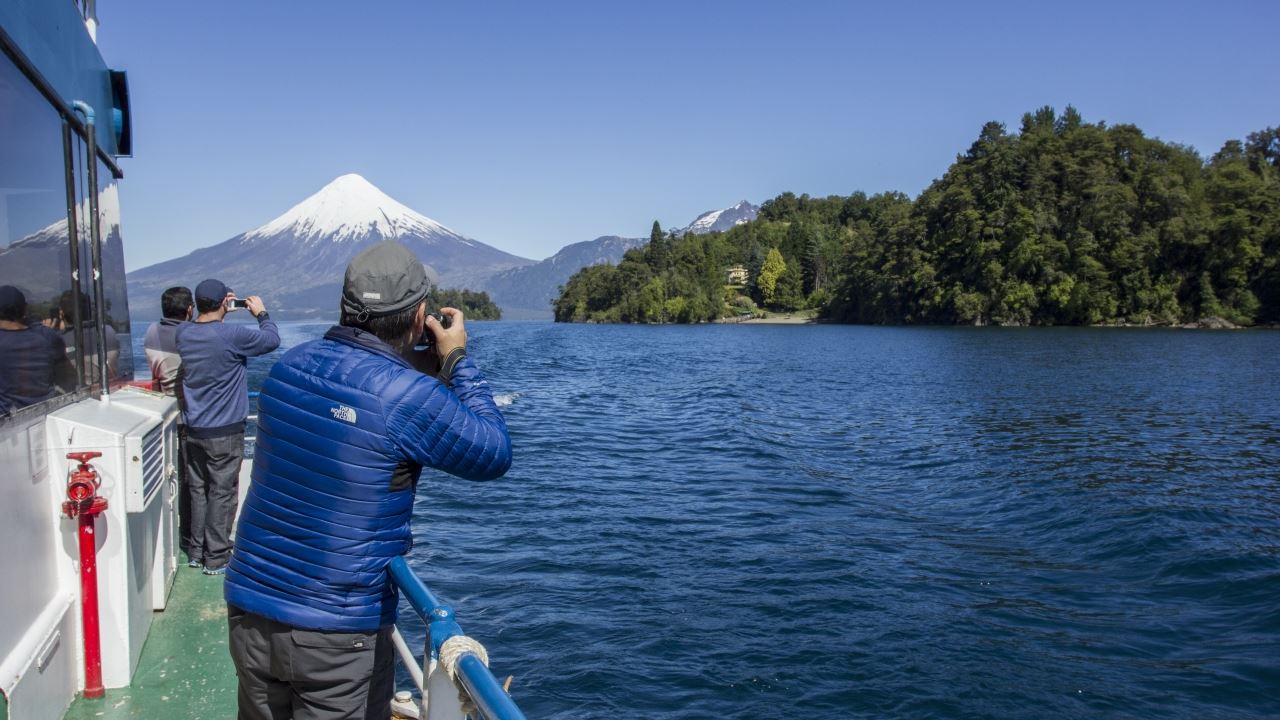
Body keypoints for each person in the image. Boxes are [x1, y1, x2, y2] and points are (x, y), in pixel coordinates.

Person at [224, 241, 512, 720]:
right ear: (420, 316)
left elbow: (347, 410)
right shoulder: (406, 394)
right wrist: (456, 360)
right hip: (335, 628)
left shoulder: (286, 369)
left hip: (251, 605)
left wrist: (404, 368)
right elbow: (492, 452)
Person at [177, 279, 279, 576]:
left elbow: (203, 325)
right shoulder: (232, 335)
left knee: (198, 490)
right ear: (225, 302)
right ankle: (217, 556)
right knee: (222, 492)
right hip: (224, 430)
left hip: (194, 428)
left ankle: (196, 551)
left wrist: (220, 311)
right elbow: (271, 340)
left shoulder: (184, 334)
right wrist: (261, 314)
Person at [144, 286, 194, 559]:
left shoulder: (152, 331)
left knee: (169, 477)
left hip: (161, 416)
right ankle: (190, 537)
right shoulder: (188, 334)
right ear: (189, 309)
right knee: (190, 481)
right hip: (187, 416)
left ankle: (171, 535)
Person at [0, 285, 76, 415]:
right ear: (24, 309)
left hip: (7, 420)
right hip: (46, 413)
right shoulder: (48, 337)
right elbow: (69, 378)